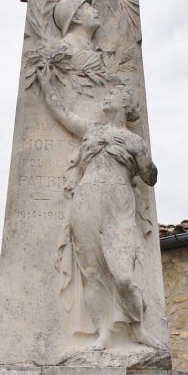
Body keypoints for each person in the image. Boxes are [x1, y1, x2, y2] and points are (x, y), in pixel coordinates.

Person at [36, 67, 162, 351]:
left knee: (123, 275)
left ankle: (137, 328)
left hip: (118, 202)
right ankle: (103, 332)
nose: (107, 99)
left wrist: (146, 161)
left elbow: (149, 177)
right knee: (91, 272)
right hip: (86, 199)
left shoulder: (134, 141)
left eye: (114, 95)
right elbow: (63, 113)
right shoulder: (92, 129)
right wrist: (46, 84)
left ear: (126, 105)